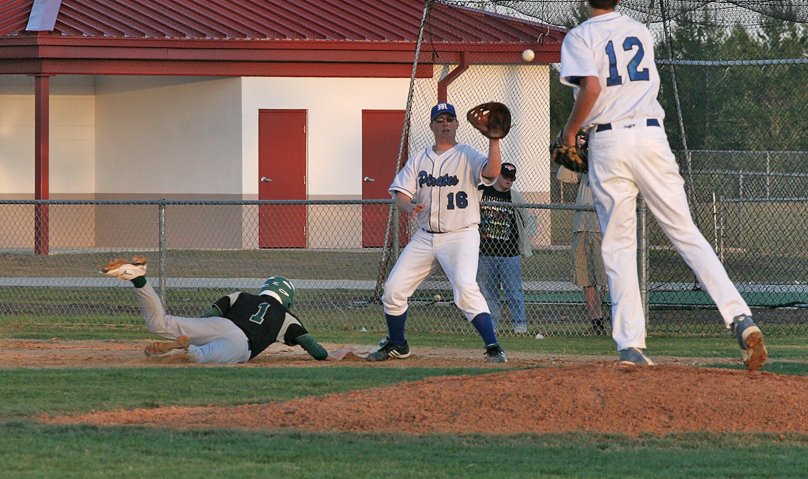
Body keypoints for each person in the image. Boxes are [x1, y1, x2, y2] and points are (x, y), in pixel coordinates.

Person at [555, 0, 767, 369]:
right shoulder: (639, 31)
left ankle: (631, 346)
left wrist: (569, 133)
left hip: (609, 142)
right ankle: (741, 317)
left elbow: (592, 88)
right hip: (652, 136)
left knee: (617, 245)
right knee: (685, 232)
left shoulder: (580, 35)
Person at [367, 102, 507, 363]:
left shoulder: (467, 154)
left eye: (449, 119)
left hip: (461, 234)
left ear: (456, 124)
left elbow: (492, 173)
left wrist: (494, 140)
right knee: (394, 289)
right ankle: (398, 344)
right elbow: (400, 194)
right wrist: (409, 205)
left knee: (465, 288)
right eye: (439, 119)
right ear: (432, 126)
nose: (445, 123)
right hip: (426, 235)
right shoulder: (419, 158)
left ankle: (493, 347)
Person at [102, 256, 351, 363]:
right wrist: (332, 355)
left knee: (159, 324)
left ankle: (139, 280)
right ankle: (187, 349)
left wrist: (197, 329)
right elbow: (313, 348)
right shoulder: (287, 317)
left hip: (220, 325)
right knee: (202, 356)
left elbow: (209, 317)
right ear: (287, 298)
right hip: (242, 345)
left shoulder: (240, 295)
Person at [556, 132, 609, 336]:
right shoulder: (583, 165)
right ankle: (597, 322)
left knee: (606, 278)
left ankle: (617, 317)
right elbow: (562, 175)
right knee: (586, 279)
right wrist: (575, 150)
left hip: (602, 229)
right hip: (581, 228)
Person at [477, 162, 533, 334]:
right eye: (505, 176)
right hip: (485, 253)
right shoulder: (480, 192)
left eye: (511, 178)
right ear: (497, 175)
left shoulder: (514, 196)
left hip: (509, 253)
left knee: (514, 292)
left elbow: (526, 220)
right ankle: (492, 326)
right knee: (489, 293)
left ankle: (520, 326)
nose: (508, 180)